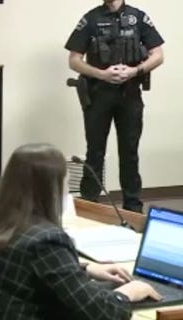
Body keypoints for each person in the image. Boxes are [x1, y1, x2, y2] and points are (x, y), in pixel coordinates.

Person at [0, 143, 161, 320]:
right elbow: (100, 313)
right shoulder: (46, 240)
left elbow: (23, 269)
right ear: (51, 188)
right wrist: (128, 293)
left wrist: (84, 269)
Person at [65, 0, 164, 213]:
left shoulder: (138, 17)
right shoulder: (91, 18)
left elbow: (158, 55)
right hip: (98, 95)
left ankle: (132, 208)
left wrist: (134, 71)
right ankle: (89, 207)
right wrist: (102, 74)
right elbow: (74, 60)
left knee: (129, 152)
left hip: (130, 95)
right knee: (94, 152)